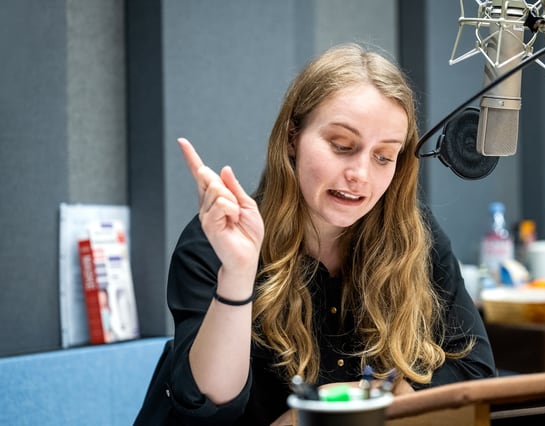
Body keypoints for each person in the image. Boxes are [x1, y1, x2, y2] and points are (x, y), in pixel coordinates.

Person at [135, 42, 496, 426]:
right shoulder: (218, 241)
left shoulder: (415, 236)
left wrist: (348, 402)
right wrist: (238, 273)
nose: (360, 174)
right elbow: (209, 406)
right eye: (342, 146)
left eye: (383, 156)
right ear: (293, 138)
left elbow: (473, 372)